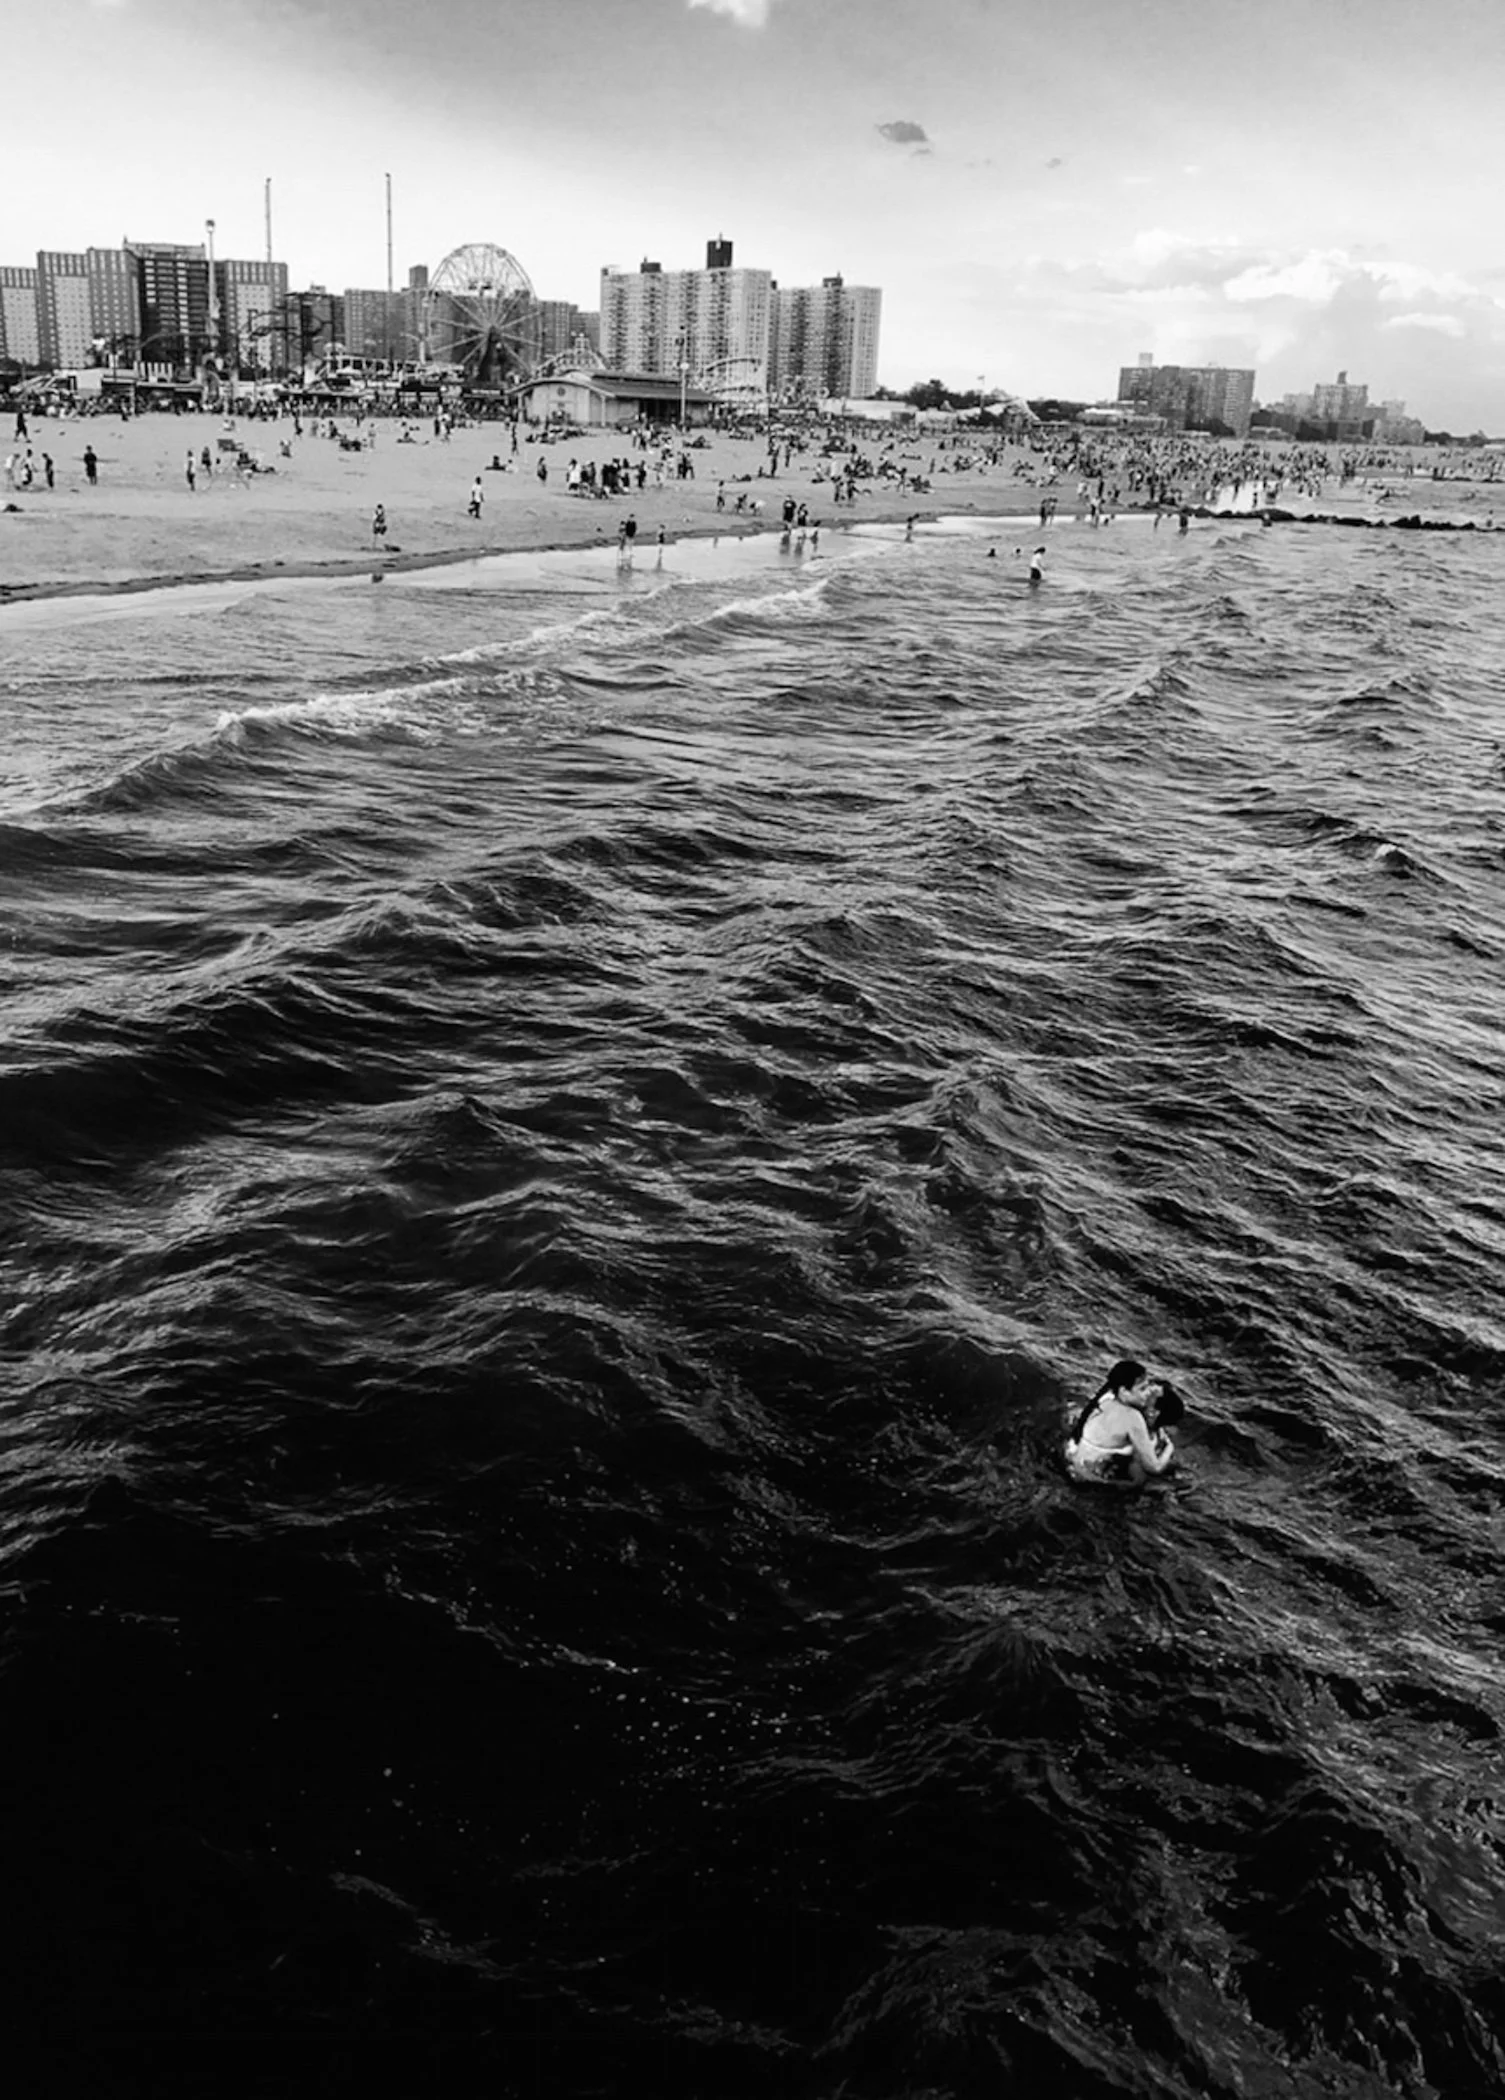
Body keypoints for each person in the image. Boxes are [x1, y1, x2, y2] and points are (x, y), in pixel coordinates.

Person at [1064, 1359, 1183, 1488]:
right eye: (1142, 1389)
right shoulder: (1132, 1417)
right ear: (1124, 1391)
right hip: (1091, 1478)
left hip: (1073, 1458)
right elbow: (1154, 1467)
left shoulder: (1107, 1396)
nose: (1147, 1393)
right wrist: (1170, 1448)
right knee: (1143, 1477)